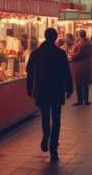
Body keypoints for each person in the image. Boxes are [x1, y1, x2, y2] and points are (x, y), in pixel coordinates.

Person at [26, 28, 73, 162]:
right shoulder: (60, 54)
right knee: (56, 119)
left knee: (45, 116)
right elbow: (66, 73)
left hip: (42, 90)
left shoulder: (37, 53)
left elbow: (29, 71)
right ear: (56, 38)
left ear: (45, 37)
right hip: (57, 90)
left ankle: (46, 136)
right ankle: (53, 148)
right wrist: (69, 88)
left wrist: (29, 88)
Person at [71, 29, 92, 106]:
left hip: (79, 66)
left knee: (78, 84)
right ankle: (86, 100)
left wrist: (73, 55)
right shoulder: (89, 43)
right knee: (86, 84)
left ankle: (80, 100)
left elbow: (76, 55)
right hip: (87, 65)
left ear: (79, 35)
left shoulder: (79, 44)